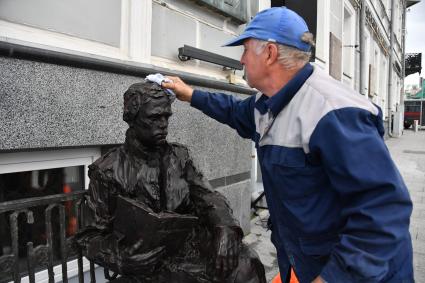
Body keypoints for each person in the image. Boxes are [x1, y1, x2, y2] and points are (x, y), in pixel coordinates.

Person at [162, 6, 414, 283]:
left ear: (269, 53)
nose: (242, 60)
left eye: (245, 50)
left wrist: (336, 277)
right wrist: (189, 94)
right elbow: (234, 111)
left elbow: (383, 211)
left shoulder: (334, 114)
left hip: (358, 273)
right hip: (304, 258)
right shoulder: (268, 102)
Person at [77, 81, 266, 283]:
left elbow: (208, 196)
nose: (163, 124)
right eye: (154, 118)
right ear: (132, 118)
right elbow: (89, 237)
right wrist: (121, 258)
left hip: (188, 248)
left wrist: (226, 227)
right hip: (147, 263)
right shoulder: (107, 170)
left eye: (166, 116)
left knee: (246, 263)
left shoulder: (179, 156)